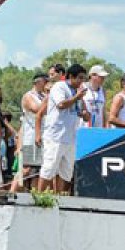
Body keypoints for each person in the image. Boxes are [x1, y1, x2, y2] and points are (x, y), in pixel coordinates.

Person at [37, 63, 89, 193]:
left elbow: (86, 115)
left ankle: (59, 199)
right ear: (71, 76)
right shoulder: (59, 87)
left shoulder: (78, 92)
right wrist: (77, 97)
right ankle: (38, 197)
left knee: (66, 173)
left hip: (70, 138)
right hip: (56, 136)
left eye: (83, 78)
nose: (82, 81)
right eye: (80, 78)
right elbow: (61, 104)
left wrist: (85, 113)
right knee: (49, 169)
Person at [12, 73, 48, 193]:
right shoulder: (28, 96)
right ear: (38, 82)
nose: (46, 84)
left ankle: (34, 196)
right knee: (25, 168)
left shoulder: (44, 96)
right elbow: (37, 109)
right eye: (45, 81)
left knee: (38, 171)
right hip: (30, 137)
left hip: (43, 136)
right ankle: (11, 192)